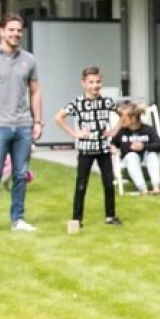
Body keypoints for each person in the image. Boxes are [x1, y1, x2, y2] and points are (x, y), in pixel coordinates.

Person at [0, 13, 42, 239]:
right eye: (11, 30)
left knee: (21, 175)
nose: (16, 34)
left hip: (23, 126)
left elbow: (35, 92)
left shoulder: (29, 60)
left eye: (19, 30)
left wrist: (37, 122)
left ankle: (18, 219)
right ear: (1, 31)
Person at [54, 66, 122, 227]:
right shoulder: (78, 103)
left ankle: (110, 216)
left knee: (108, 182)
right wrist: (73, 132)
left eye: (98, 82)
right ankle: (77, 218)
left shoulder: (107, 102)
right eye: (91, 82)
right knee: (81, 183)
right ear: (84, 83)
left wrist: (114, 131)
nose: (95, 85)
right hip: (86, 149)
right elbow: (58, 117)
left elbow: (123, 115)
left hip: (104, 149)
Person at [111, 102, 160, 195]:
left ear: (133, 119)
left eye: (123, 118)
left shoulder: (148, 130)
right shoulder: (121, 132)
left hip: (146, 157)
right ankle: (142, 188)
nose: (120, 120)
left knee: (152, 155)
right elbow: (113, 143)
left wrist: (144, 146)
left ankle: (156, 186)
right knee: (131, 157)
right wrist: (112, 147)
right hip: (130, 160)